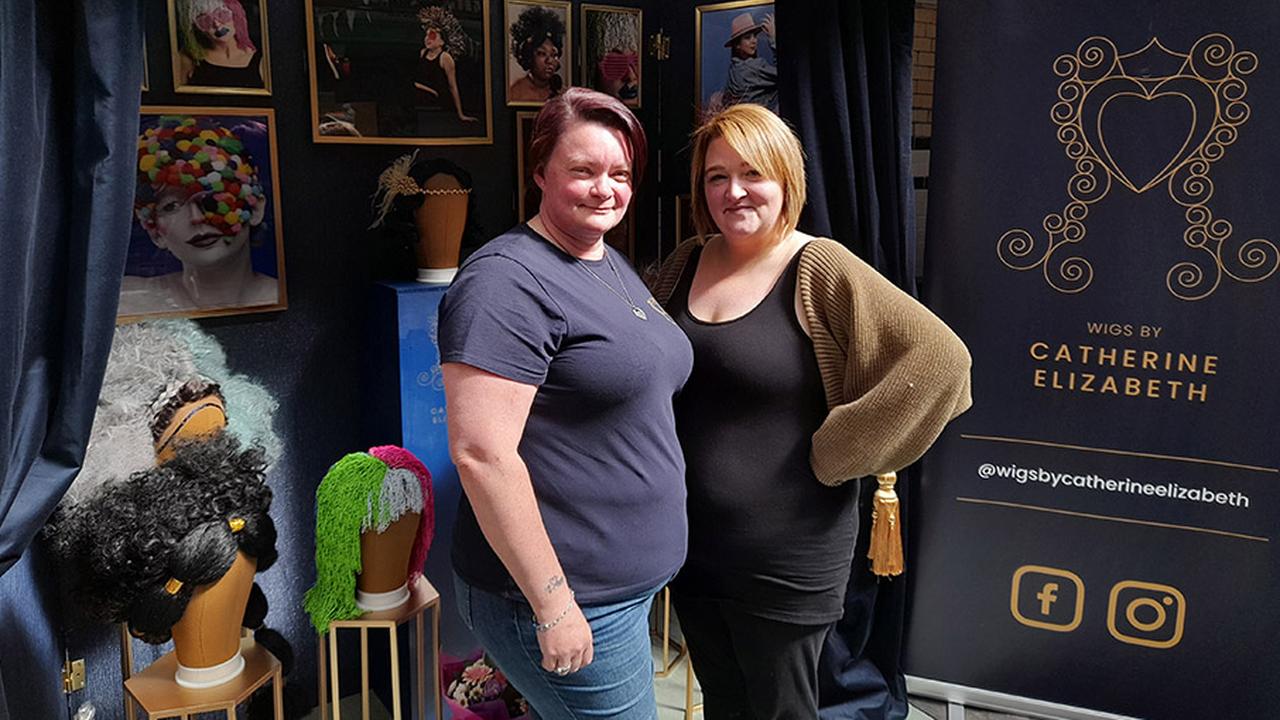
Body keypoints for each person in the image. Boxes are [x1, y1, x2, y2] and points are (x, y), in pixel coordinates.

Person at [652, 104, 972, 719]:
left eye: (752, 173)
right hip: (692, 546)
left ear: (786, 180)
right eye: (716, 176)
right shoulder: (686, 261)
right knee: (725, 701)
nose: (734, 191)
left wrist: (835, 453)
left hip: (786, 556)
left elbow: (940, 362)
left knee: (783, 711)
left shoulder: (817, 266)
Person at [439, 87, 692, 718]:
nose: (606, 188)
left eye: (620, 173)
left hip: (623, 588)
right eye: (583, 171)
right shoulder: (504, 282)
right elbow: (481, 455)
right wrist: (554, 604)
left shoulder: (604, 260)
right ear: (540, 172)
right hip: (569, 599)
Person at [122, 116, 279, 316]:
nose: (196, 217)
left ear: (255, 208)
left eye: (213, 196)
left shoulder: (289, 297)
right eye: (171, 206)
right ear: (155, 233)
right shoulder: (129, 301)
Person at [175, 0, 267, 89]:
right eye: (206, 20)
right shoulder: (188, 58)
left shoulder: (264, 56)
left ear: (236, 13)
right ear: (196, 28)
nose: (217, 24)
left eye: (221, 14)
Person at [414, 7, 478, 123]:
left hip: (438, 106)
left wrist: (460, 114)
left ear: (442, 42)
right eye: (426, 35)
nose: (428, 39)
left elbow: (452, 87)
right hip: (422, 103)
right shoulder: (422, 53)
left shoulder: (445, 58)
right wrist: (427, 89)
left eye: (432, 36)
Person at [718, 11, 778, 113]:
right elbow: (786, 76)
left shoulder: (734, 69)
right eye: (747, 37)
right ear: (737, 45)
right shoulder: (753, 67)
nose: (754, 41)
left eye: (754, 36)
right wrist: (773, 39)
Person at [508, 6, 565, 103]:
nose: (550, 61)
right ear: (528, 56)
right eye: (542, 53)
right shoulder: (515, 93)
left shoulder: (563, 94)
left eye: (554, 55)